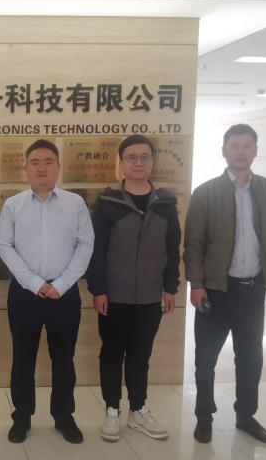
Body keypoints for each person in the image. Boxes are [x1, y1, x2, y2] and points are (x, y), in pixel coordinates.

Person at [185, 123, 266, 445]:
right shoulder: (206, 193)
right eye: (235, 145)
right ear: (224, 151)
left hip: (253, 290)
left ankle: (246, 415)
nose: (241, 151)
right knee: (206, 358)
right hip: (217, 290)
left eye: (247, 145)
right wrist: (196, 284)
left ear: (256, 150)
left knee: (251, 357)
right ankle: (204, 416)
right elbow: (193, 243)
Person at [0, 139, 93, 444]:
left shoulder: (75, 203)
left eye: (48, 161)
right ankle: (22, 417)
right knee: (23, 358)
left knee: (63, 359)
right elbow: (4, 244)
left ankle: (64, 417)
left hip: (65, 294)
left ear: (58, 166)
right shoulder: (13, 205)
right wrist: (35, 283)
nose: (41, 168)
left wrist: (61, 284)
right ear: (25, 167)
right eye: (35, 162)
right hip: (25, 294)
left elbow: (85, 245)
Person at [85, 135, 180, 443]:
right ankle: (112, 410)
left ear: (152, 161)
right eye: (132, 157)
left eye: (144, 156)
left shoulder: (166, 203)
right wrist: (98, 289)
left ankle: (138, 410)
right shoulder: (108, 202)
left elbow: (172, 248)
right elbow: (97, 250)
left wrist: (170, 288)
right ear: (121, 162)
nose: (139, 162)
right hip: (114, 295)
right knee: (112, 353)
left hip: (151, 296)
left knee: (141, 354)